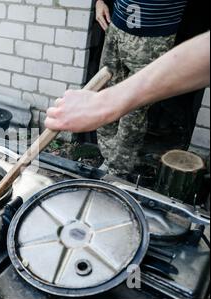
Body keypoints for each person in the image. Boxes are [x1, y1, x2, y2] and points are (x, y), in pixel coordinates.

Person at [89, 0, 189, 177]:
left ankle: (117, 172)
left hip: (154, 37)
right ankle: (108, 159)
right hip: (116, 26)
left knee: (133, 110)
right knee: (106, 95)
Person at [44, 31, 210, 133]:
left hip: (153, 32)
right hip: (118, 27)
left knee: (133, 117)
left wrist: (104, 102)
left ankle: (118, 169)